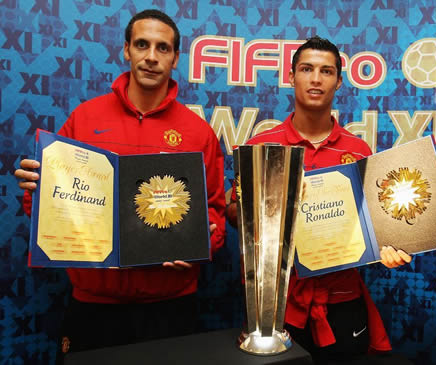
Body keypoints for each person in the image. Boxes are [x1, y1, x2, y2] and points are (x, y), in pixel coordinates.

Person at [15, 9, 225, 359]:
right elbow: (48, 207)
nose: (151, 57)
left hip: (170, 307)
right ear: (126, 49)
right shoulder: (85, 118)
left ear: (175, 57)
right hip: (95, 306)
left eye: (163, 48)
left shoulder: (197, 132)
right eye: (142, 44)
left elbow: (215, 210)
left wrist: (202, 244)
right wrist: (37, 190)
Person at [226, 36, 412, 364]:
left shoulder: (358, 151)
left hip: (342, 301)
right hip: (276, 305)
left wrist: (389, 244)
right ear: (291, 76)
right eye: (306, 69)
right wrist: (268, 221)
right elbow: (231, 208)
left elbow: (374, 224)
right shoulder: (260, 146)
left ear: (339, 81)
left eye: (326, 71)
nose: (315, 78)